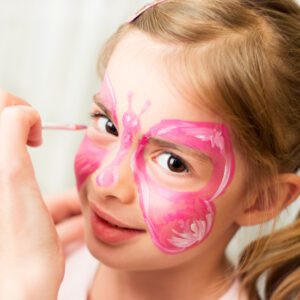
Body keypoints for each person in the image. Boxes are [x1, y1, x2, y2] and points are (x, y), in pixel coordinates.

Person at [0, 0, 299, 299]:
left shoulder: (24, 278)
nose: (108, 182)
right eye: (109, 126)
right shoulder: (30, 252)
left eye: (173, 163)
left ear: (261, 199)